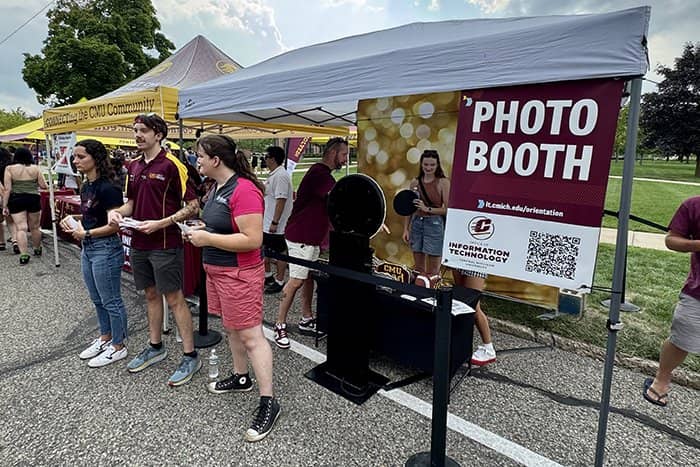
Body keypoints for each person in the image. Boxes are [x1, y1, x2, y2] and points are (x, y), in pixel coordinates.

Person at [185, 135, 280, 442]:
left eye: (200, 155)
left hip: (239, 273)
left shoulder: (245, 190)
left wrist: (208, 238)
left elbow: (253, 239)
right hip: (218, 271)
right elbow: (225, 226)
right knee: (232, 329)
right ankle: (241, 377)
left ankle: (269, 402)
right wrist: (204, 229)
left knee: (252, 335)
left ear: (216, 160)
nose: (196, 160)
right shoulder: (216, 188)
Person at [107, 113, 200, 387]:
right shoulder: (133, 167)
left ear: (159, 134)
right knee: (150, 295)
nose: (138, 135)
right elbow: (131, 204)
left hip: (165, 243)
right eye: (135, 130)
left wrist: (162, 222)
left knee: (174, 298)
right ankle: (155, 346)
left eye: (143, 130)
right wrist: (116, 212)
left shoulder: (173, 165)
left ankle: (190, 355)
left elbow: (193, 206)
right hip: (140, 242)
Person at [274, 137, 348, 349]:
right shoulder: (319, 174)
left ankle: (306, 318)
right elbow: (339, 196)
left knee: (308, 279)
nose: (345, 159)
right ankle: (280, 324)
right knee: (296, 280)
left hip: (311, 237)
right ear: (334, 153)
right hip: (301, 237)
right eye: (344, 154)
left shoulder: (323, 174)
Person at [60, 140, 129, 367]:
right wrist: (74, 221)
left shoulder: (108, 188)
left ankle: (118, 346)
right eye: (75, 156)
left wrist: (87, 233)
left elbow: (114, 225)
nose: (75, 161)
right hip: (89, 248)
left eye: (81, 157)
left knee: (111, 300)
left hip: (105, 248)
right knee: (97, 298)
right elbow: (92, 214)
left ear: (95, 158)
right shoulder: (86, 186)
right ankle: (105, 337)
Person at [643, 197, 700, 407]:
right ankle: (662, 378)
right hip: (697, 291)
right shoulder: (693, 205)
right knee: (682, 337)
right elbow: (671, 240)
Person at [403, 149, 450, 277]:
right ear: (421, 164)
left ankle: (433, 293)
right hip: (417, 223)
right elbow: (409, 208)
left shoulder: (443, 182)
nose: (429, 168)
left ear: (437, 165)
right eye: (426, 164)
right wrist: (406, 229)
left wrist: (427, 208)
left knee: (433, 270)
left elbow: (447, 209)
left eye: (432, 165)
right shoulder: (415, 182)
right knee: (418, 268)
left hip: (434, 224)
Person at [2, 147, 48, 264]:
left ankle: (24, 254)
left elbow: (7, 189)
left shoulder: (10, 169)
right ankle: (37, 248)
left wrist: (4, 206)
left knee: (21, 227)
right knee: (35, 227)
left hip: (16, 199)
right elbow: (44, 186)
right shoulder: (35, 168)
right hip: (33, 198)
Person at [262, 146, 293, 294]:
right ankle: (268, 275)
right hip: (267, 221)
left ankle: (280, 280)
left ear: (273, 159)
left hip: (275, 224)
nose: (264, 159)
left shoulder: (281, 175)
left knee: (280, 251)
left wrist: (275, 222)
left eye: (266, 156)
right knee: (266, 249)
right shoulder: (274, 174)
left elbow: (281, 199)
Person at [453, 269, 496, 366]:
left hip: (476, 263)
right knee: (461, 301)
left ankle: (489, 349)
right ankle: (460, 346)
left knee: (473, 306)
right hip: (459, 259)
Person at [0, 147, 13, 251]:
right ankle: (15, 240)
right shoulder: (10, 167)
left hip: (2, 195)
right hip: (11, 195)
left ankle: (1, 242)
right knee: (11, 220)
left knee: (0, 220)